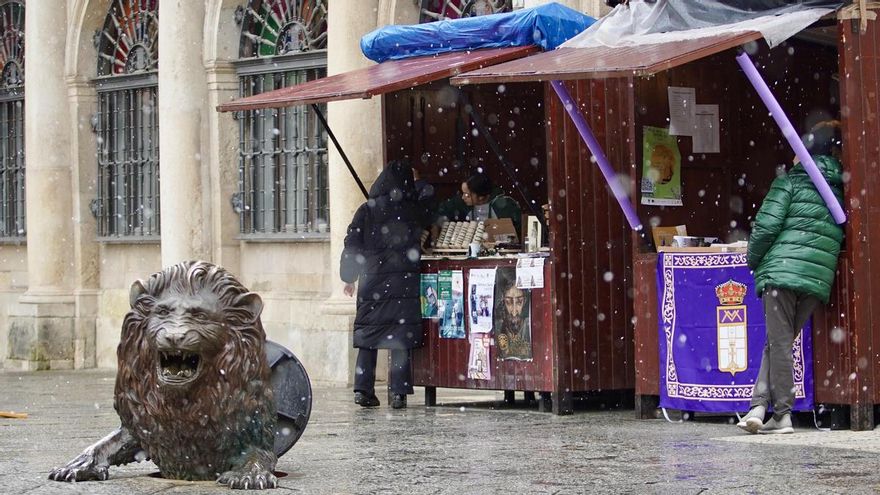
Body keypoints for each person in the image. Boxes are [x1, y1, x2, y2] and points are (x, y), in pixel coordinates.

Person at [737, 120, 844, 434]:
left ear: (805, 152)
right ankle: (760, 408)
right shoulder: (838, 185)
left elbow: (766, 227)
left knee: (779, 343)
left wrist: (753, 260)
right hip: (817, 277)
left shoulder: (790, 182)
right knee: (778, 343)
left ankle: (782, 414)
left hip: (782, 272)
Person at [340, 159, 430, 410]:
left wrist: (348, 277)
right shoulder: (412, 211)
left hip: (372, 282)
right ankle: (398, 392)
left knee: (369, 335)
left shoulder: (366, 211)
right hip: (403, 283)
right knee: (400, 337)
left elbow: (352, 245)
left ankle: (363, 389)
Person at [434, 172, 522, 238]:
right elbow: (440, 212)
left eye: (467, 195)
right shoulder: (461, 203)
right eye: (463, 193)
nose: (463, 197)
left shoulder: (504, 206)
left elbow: (518, 231)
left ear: (481, 196)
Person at [494, 268, 532, 360]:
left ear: (525, 301)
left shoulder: (531, 326)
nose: (514, 312)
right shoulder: (497, 326)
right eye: (508, 302)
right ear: (503, 301)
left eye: (519, 302)